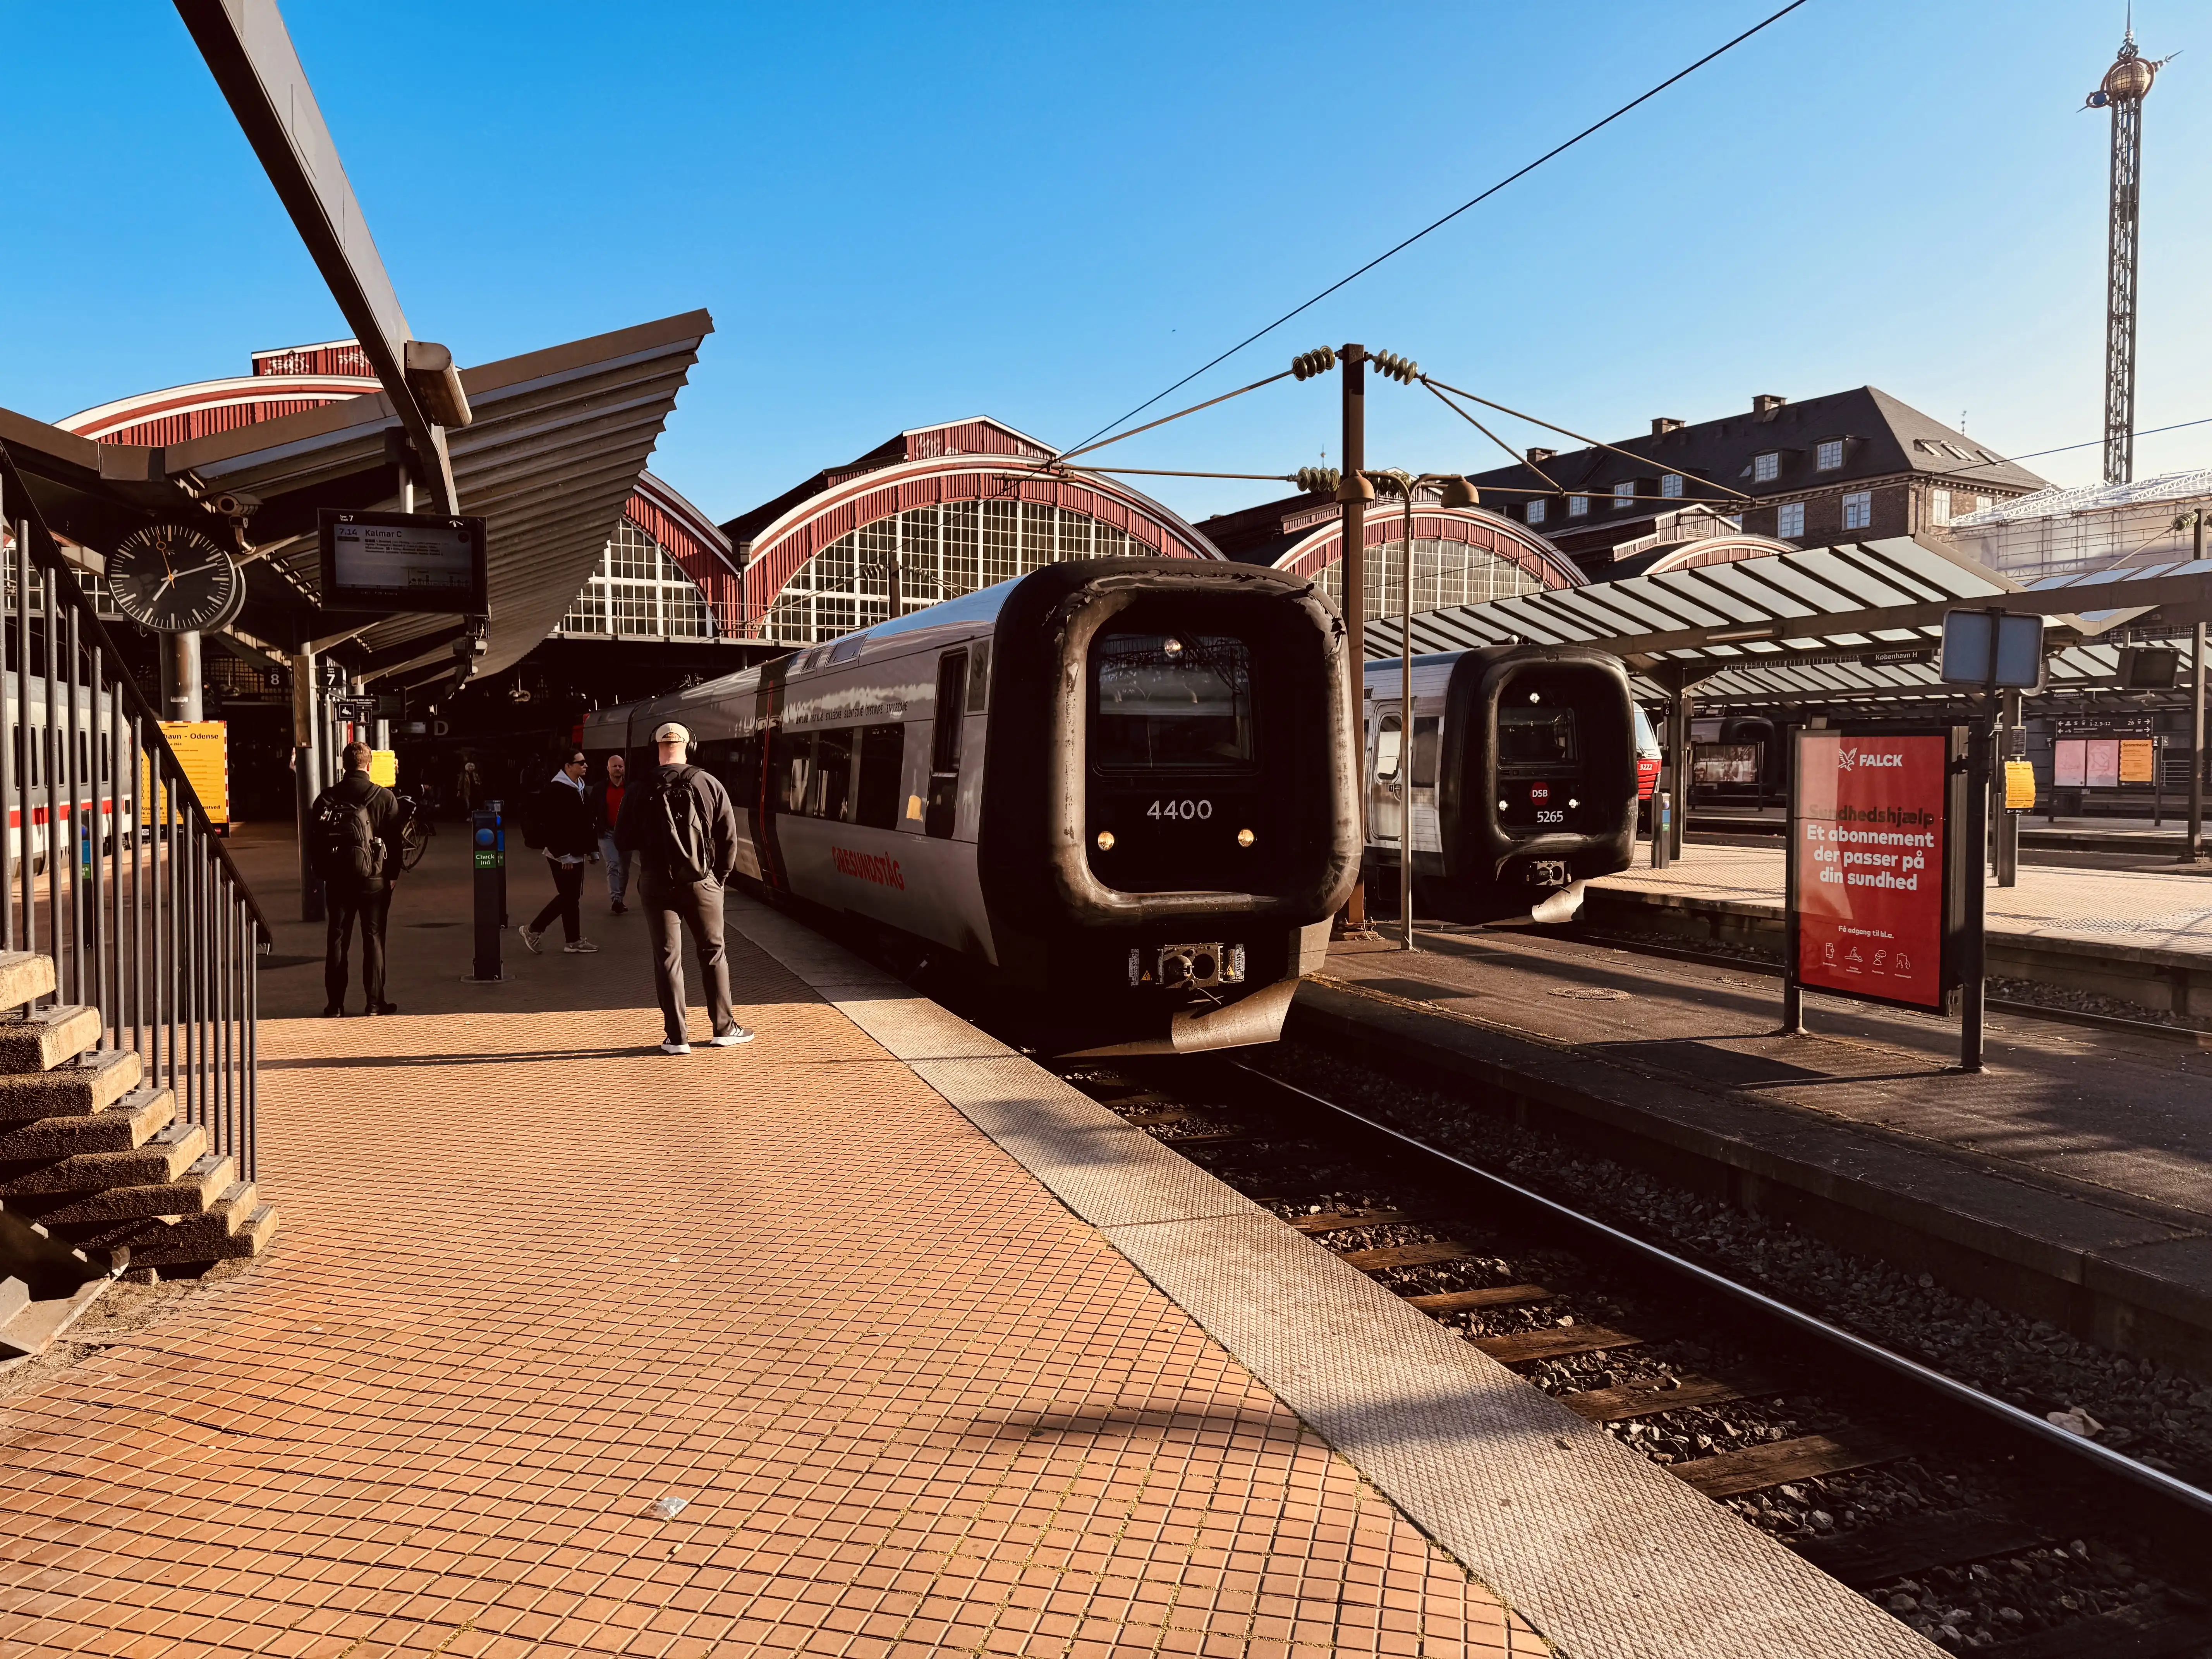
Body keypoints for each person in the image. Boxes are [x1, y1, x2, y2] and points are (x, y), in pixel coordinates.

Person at [615, 721, 753, 1055]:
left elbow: (622, 840)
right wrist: (718, 879)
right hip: (702, 882)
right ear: (690, 746)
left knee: (667, 957)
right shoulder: (709, 783)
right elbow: (729, 838)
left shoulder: (638, 788)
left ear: (656, 748)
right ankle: (724, 1028)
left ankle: (677, 1037)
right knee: (713, 952)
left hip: (655, 881)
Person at [311, 741, 405, 1017]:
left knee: (338, 937)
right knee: (373, 937)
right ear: (369, 765)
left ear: (344, 765)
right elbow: (395, 842)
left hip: (338, 879)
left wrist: (323, 873)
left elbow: (315, 841)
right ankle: (375, 1003)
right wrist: (393, 876)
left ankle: (335, 1005)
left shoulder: (327, 799)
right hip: (374, 878)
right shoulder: (385, 797)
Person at [519, 748, 600, 955]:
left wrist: (592, 850)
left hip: (575, 853)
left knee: (572, 898)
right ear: (568, 766)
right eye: (581, 763)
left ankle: (572, 941)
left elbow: (586, 822)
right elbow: (552, 826)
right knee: (569, 897)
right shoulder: (555, 790)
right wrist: (563, 855)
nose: (586, 765)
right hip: (562, 855)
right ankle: (533, 930)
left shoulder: (580, 788)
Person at [588, 752, 632, 916]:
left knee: (625, 870)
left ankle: (620, 898)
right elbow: (591, 812)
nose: (618, 769)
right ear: (608, 769)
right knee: (613, 865)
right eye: (615, 766)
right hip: (607, 833)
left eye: (621, 766)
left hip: (626, 835)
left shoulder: (630, 789)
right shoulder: (600, 789)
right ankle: (616, 900)